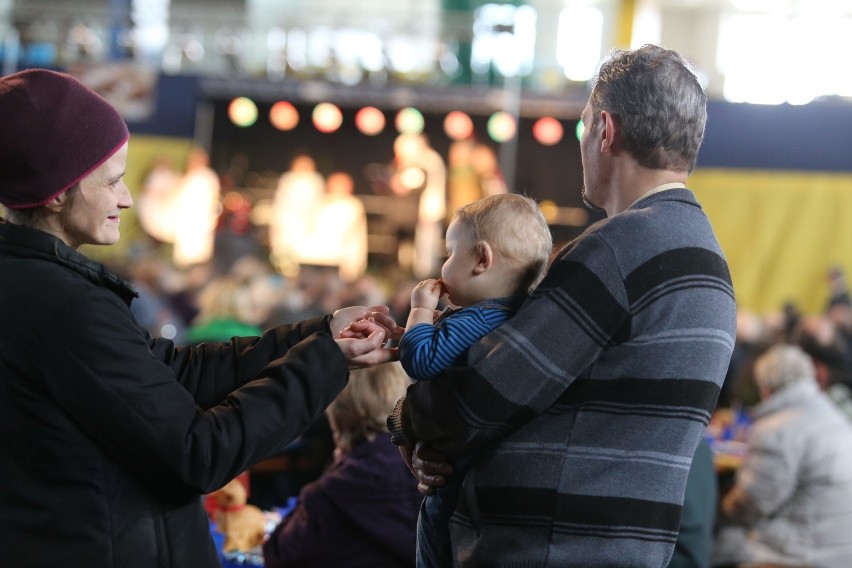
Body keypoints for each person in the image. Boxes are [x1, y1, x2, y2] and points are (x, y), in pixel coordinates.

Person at [0, 69, 398, 568]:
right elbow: (199, 453)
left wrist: (320, 331)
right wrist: (324, 362)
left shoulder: (36, 288)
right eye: (112, 181)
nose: (126, 198)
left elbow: (174, 375)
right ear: (56, 192)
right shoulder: (65, 308)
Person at [387, 44, 737, 566]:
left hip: (547, 550)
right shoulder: (709, 261)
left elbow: (485, 394)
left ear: (605, 130)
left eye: (582, 129)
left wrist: (405, 422)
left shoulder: (618, 249)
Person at [396, 193, 552, 567]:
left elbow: (420, 360)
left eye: (450, 253)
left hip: (452, 479)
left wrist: (419, 310)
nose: (444, 264)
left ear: (482, 259)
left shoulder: (476, 318)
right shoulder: (522, 316)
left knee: (434, 537)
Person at [263, 362, 423, 567]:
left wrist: (337, 467)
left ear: (338, 413)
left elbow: (277, 556)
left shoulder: (329, 494)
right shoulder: (433, 471)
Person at [713, 344, 852, 567]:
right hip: (840, 548)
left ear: (766, 386)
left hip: (801, 554)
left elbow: (753, 502)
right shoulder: (830, 412)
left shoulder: (777, 429)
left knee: (715, 539)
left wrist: (719, 506)